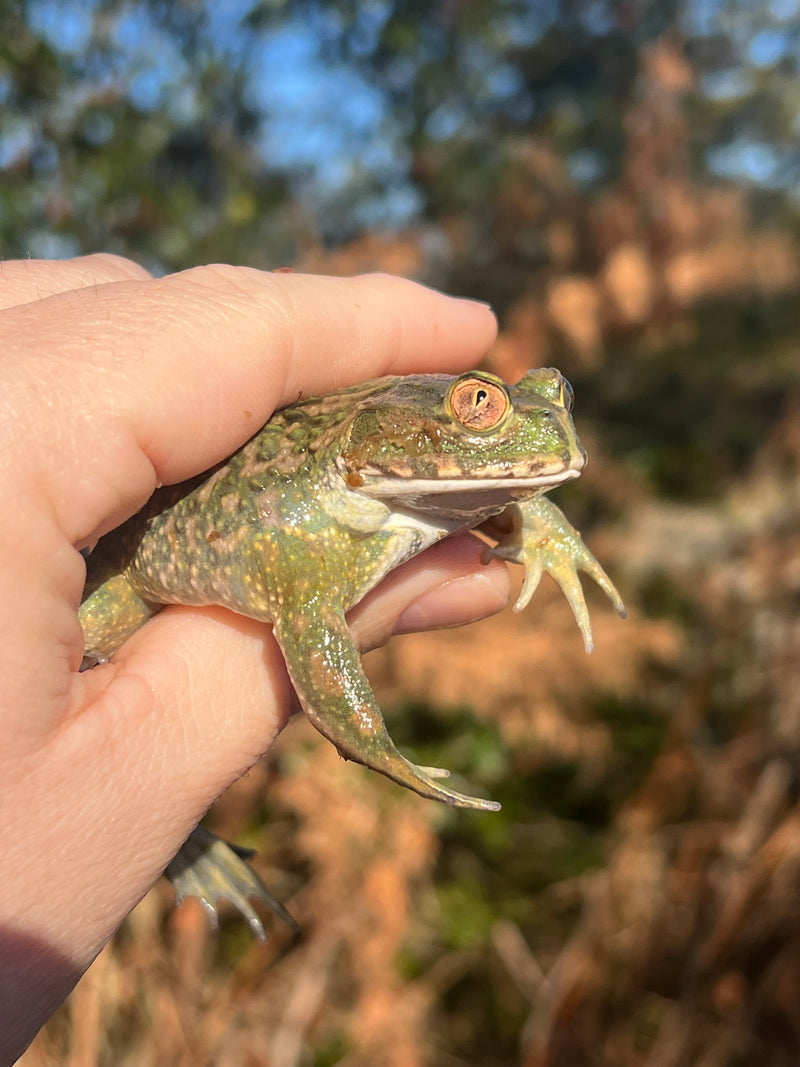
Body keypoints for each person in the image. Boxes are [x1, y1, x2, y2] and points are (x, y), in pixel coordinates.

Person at [0, 255, 507, 1060]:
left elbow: (513, 491)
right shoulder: (327, 531)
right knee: (92, 663)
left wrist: (545, 530)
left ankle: (179, 835)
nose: (493, 416)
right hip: (124, 580)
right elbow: (312, 620)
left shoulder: (403, 498)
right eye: (480, 406)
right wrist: (377, 747)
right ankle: (183, 839)